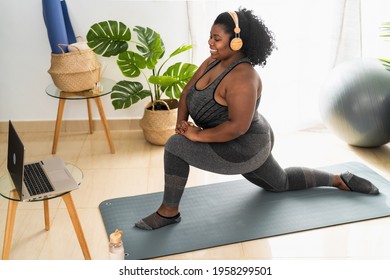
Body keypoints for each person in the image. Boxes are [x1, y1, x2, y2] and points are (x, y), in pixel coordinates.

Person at [135, 8, 379, 230]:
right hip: (236, 138)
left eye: (216, 38)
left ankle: (169, 212)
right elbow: (187, 91)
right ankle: (339, 179)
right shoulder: (212, 62)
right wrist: (182, 123)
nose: (210, 42)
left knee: (175, 146)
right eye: (210, 36)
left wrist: (196, 134)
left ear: (237, 41)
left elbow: (237, 127)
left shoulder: (243, 77)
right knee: (279, 182)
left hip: (245, 146)